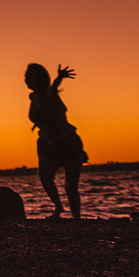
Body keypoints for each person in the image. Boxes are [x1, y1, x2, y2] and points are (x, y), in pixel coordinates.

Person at [25, 63, 88, 219]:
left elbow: (51, 90)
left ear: (39, 78)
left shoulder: (49, 93)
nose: (26, 79)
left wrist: (59, 78)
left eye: (29, 75)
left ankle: (77, 218)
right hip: (47, 142)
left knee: (71, 185)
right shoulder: (33, 98)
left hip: (67, 142)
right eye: (25, 76)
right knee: (45, 176)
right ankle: (59, 207)